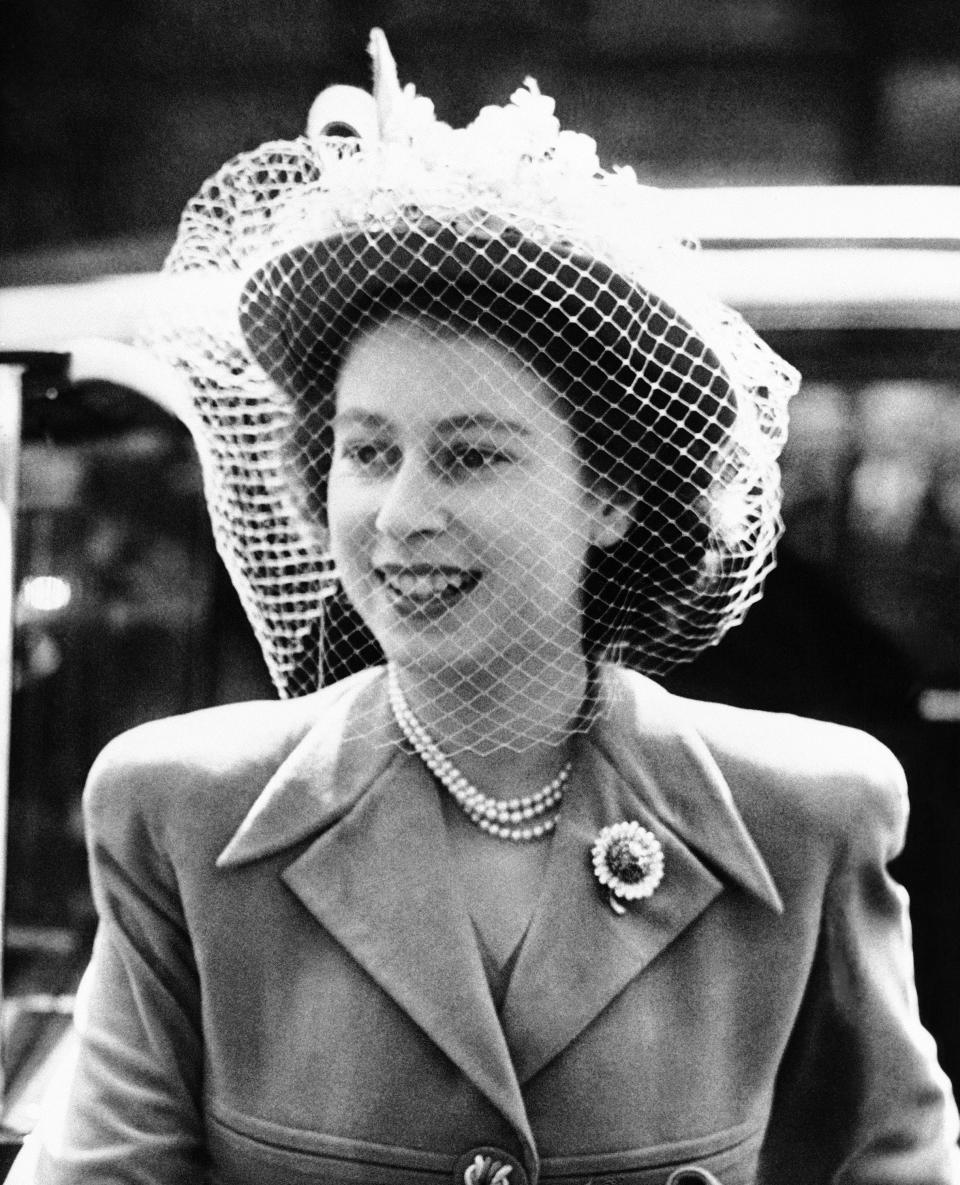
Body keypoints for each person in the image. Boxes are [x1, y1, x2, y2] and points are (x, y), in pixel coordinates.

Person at [9, 29, 959, 1185]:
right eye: (366, 452)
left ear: (610, 492)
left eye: (469, 458)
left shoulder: (804, 819)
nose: (398, 514)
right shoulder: (184, 815)